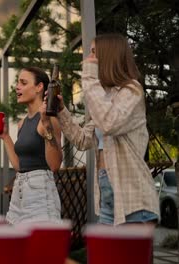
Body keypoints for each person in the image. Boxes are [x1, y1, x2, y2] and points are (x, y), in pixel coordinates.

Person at [53, 33, 159, 225]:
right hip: (107, 196)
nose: (88, 59)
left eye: (93, 53)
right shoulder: (104, 96)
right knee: (105, 256)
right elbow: (83, 140)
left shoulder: (132, 90)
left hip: (132, 196)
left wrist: (90, 79)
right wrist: (61, 111)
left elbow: (110, 123)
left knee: (128, 256)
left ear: (108, 56)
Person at [0, 67, 63, 225]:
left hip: (40, 194)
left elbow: (55, 165)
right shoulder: (22, 124)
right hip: (19, 193)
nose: (17, 87)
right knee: (14, 248)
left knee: (39, 248)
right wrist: (5, 136)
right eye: (18, 82)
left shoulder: (49, 119)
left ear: (39, 87)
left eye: (23, 83)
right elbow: (19, 165)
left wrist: (46, 127)